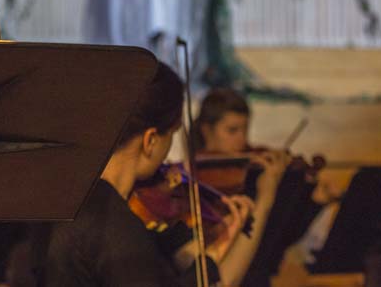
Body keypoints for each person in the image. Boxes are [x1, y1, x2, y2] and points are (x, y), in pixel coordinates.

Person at [41, 62, 253, 287]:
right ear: (150, 140)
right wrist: (213, 255)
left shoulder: (69, 195)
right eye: (171, 134)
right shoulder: (116, 223)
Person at [191, 88, 334, 287]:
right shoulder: (196, 179)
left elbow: (280, 239)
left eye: (245, 130)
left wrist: (313, 202)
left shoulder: (253, 171)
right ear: (207, 131)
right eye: (232, 131)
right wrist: (265, 194)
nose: (242, 140)